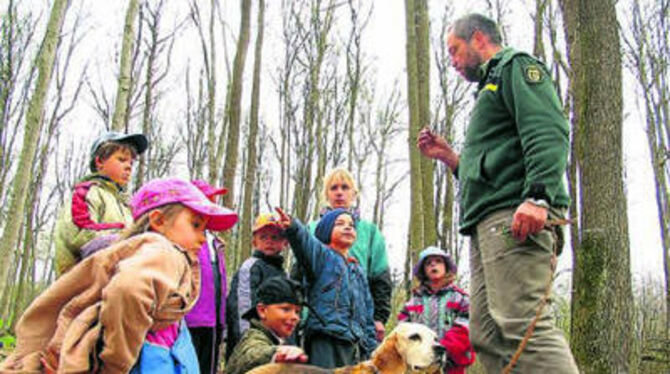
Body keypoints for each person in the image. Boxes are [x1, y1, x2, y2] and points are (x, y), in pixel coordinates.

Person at [417, 13, 578, 373]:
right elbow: (492, 169)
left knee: (524, 327)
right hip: (486, 222)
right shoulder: (486, 91)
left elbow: (547, 130)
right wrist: (450, 157)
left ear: (478, 38)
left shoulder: (515, 68)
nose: (453, 62)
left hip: (516, 217)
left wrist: (539, 196)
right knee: (487, 334)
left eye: (454, 51)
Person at [0, 178, 238, 373]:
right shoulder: (165, 250)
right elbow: (128, 289)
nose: (201, 238)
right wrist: (115, 365)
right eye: (196, 225)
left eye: (205, 230)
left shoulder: (132, 251)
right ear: (158, 221)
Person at [293, 168, 391, 342]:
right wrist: (295, 312)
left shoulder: (369, 232)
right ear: (326, 194)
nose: (339, 192)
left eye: (345, 187)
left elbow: (380, 280)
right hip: (318, 322)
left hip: (359, 322)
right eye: (334, 188)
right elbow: (297, 276)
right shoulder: (312, 229)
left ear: (354, 194)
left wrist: (379, 318)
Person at [276, 207, 377, 369]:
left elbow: (368, 314)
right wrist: (293, 227)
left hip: (355, 344)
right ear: (326, 230)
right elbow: (306, 243)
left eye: (351, 224)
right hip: (325, 338)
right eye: (340, 223)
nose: (348, 227)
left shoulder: (358, 271)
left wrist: (372, 348)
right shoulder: (322, 257)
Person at [54, 131, 149, 277]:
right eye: (122, 160)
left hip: (114, 279)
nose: (129, 167)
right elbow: (81, 234)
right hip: (82, 282)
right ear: (99, 162)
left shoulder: (126, 205)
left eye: (131, 162)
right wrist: (128, 237)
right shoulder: (87, 192)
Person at [398, 246, 475, 374]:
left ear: (446, 268)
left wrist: (443, 348)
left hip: (452, 365)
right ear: (423, 271)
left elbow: (466, 327)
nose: (433, 264)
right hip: (420, 365)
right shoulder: (413, 302)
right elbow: (403, 330)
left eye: (438, 261)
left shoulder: (461, 299)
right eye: (428, 263)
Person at [226, 212, 289, 358]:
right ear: (254, 242)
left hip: (274, 343)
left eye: (275, 237)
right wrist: (247, 343)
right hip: (251, 345)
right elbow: (242, 307)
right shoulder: (250, 267)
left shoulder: (282, 273)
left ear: (284, 242)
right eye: (263, 237)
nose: (269, 241)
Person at [184, 180, 229, 374]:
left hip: (213, 320)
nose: (212, 202)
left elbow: (220, 283)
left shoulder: (215, 241)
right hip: (191, 319)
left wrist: (223, 318)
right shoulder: (186, 238)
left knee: (208, 367)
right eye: (207, 198)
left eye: (214, 199)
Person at [226, 276, 308, 374]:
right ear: (262, 311)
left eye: (297, 312)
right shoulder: (253, 338)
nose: (295, 317)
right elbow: (252, 354)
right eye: (286, 309)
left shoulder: (276, 340)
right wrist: (276, 353)